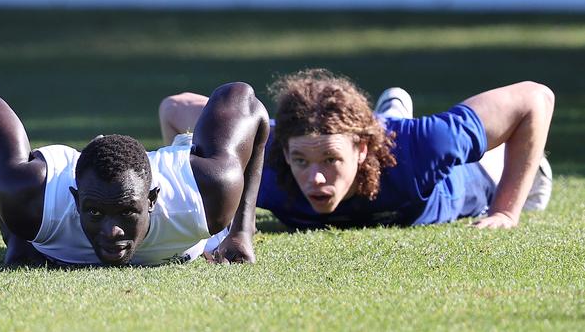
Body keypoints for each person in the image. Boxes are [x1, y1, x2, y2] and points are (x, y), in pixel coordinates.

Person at [159, 68, 554, 230]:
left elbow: (536, 98)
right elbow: (174, 108)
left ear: (362, 150)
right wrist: (208, 209)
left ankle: (390, 117)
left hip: (488, 169)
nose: (315, 177)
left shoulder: (425, 147)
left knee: (534, 186)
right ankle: (387, 114)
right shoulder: (265, 162)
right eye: (301, 160)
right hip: (376, 139)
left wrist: (505, 209)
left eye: (331, 160)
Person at [0, 82, 269, 266]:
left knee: (177, 107)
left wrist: (241, 232)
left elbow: (244, 99)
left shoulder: (205, 197)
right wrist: (15, 235)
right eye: (94, 212)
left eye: (127, 212)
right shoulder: (28, 200)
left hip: (174, 172)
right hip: (57, 180)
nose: (113, 230)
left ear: (152, 201)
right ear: (75, 201)